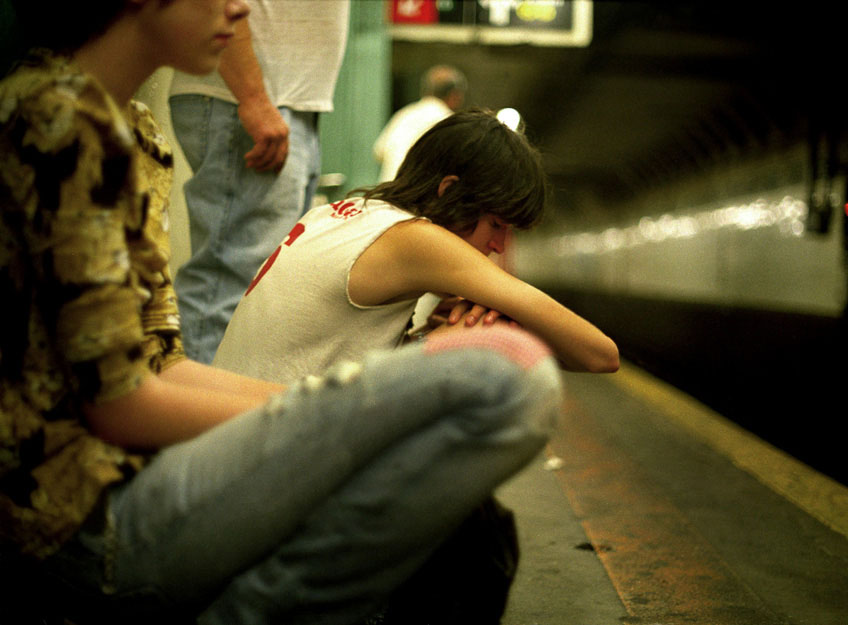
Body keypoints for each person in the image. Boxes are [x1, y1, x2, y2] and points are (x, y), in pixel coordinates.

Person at [0, 3, 563, 625]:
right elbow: (118, 404)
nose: (241, 6)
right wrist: (340, 414)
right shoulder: (58, 121)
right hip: (77, 518)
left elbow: (161, 364)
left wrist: (324, 414)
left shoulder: (132, 130)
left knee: (465, 507)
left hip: (127, 476)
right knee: (507, 375)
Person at [215, 109, 620, 383]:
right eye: (495, 224)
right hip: (262, 457)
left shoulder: (340, 214)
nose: (497, 246)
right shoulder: (415, 238)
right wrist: (490, 328)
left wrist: (427, 335)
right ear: (450, 193)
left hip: (229, 434)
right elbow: (600, 354)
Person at [169, 0, 350, 364]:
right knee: (228, 286)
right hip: (248, 98)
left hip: (284, 101)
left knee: (250, 289)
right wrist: (252, 97)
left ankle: (214, 411)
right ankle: (200, 418)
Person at [373, 64, 467, 183]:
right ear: (455, 95)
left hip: (385, 191)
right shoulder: (448, 121)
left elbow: (379, 152)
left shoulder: (404, 114)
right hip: (415, 197)